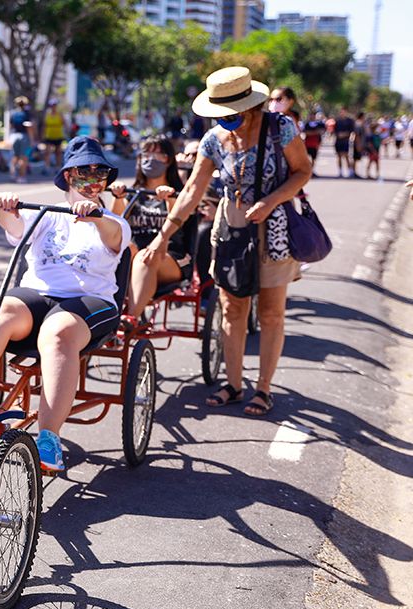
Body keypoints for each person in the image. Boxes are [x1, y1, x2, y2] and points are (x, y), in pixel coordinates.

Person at [163, 66, 311, 417]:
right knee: (232, 308)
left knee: (271, 312)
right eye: (221, 115)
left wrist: (271, 201)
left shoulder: (280, 128)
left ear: (252, 107)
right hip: (231, 225)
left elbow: (303, 171)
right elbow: (192, 191)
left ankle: (264, 389)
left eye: (232, 115)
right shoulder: (214, 140)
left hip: (274, 228)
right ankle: (233, 383)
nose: (226, 122)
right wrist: (164, 236)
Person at [0, 137, 130, 472]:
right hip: (38, 295)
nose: (92, 179)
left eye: (100, 172)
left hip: (90, 301)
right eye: (84, 171)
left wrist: (96, 217)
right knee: (2, 308)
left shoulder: (113, 221)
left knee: (57, 331)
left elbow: (113, 235)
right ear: (68, 176)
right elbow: (14, 226)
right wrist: (6, 209)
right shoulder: (47, 215)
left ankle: (49, 437)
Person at [109, 135, 193, 317]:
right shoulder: (134, 193)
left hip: (170, 257)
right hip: (137, 253)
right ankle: (106, 311)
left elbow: (178, 223)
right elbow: (116, 225)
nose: (151, 159)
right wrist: (118, 197)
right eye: (147, 154)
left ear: (168, 160)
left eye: (158, 155)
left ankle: (131, 319)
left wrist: (170, 199)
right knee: (122, 249)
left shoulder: (177, 193)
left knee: (145, 257)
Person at [9, 96, 35, 183]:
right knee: (24, 157)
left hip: (14, 136)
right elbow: (29, 127)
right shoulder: (26, 114)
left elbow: (11, 126)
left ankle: (12, 173)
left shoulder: (13, 114)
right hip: (24, 136)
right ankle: (21, 176)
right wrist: (32, 140)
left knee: (15, 156)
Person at [42, 98, 67, 172]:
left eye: (54, 105)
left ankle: (58, 167)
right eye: (52, 105)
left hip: (58, 135)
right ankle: (47, 167)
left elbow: (64, 124)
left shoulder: (60, 114)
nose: (53, 107)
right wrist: (42, 134)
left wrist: (67, 133)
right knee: (47, 152)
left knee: (58, 152)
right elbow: (44, 125)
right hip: (49, 135)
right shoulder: (47, 115)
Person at [333, 108, 356, 178]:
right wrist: (338, 135)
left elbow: (352, 131)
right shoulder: (337, 121)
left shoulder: (349, 121)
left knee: (346, 156)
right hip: (338, 141)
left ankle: (350, 171)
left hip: (346, 141)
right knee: (339, 156)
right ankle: (340, 172)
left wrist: (345, 134)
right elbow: (334, 131)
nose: (342, 113)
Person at [301, 111, 326, 176]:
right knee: (306, 158)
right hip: (307, 144)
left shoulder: (319, 124)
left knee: (314, 158)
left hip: (315, 144)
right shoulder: (306, 124)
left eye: (313, 115)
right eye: (311, 115)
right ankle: (307, 170)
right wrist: (315, 132)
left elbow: (322, 131)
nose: (312, 117)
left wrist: (312, 133)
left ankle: (311, 171)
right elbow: (305, 132)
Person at [352, 112, 367, 178]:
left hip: (359, 143)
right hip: (357, 143)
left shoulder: (360, 123)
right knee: (355, 159)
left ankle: (354, 172)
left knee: (356, 159)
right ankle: (353, 172)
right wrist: (358, 145)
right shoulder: (358, 124)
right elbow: (357, 135)